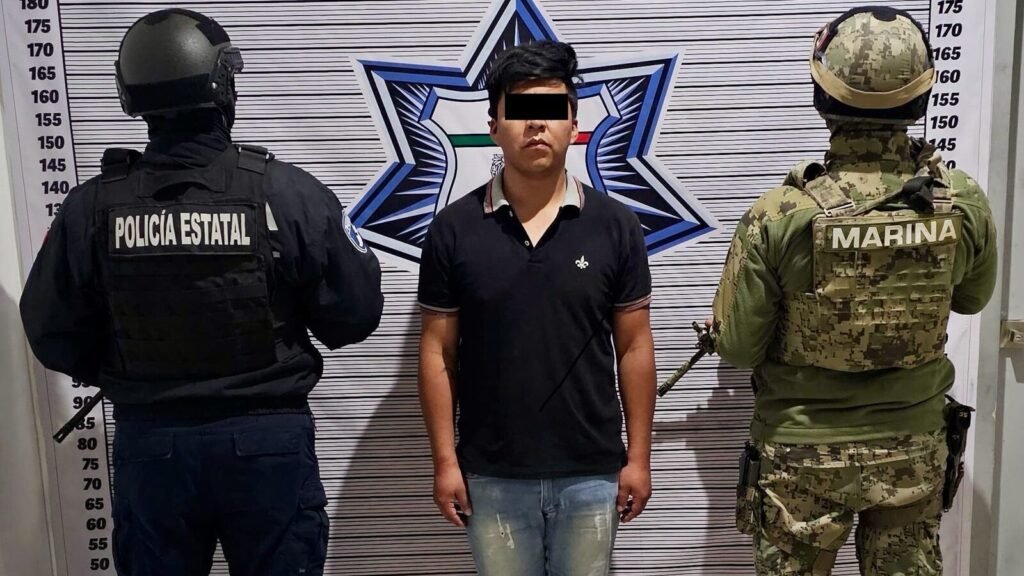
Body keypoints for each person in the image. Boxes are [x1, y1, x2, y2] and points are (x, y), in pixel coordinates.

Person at [19, 9, 384, 575]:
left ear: (130, 94)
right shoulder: (284, 192)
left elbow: (50, 330)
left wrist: (127, 366)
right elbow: (355, 314)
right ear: (223, 87)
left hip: (152, 446)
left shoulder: (92, 208)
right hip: (266, 444)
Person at [709, 7, 998, 575]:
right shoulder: (959, 201)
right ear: (921, 98)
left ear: (822, 96)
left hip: (801, 456)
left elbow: (739, 347)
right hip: (913, 447)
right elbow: (972, 299)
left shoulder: (781, 213)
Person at [415, 41, 656, 576]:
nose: (536, 125)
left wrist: (638, 457)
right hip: (491, 475)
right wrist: (445, 462)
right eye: (520, 110)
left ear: (574, 123)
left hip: (592, 471)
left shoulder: (615, 225)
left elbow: (635, 346)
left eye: (551, 109)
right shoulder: (453, 230)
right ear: (493, 126)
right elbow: (437, 353)